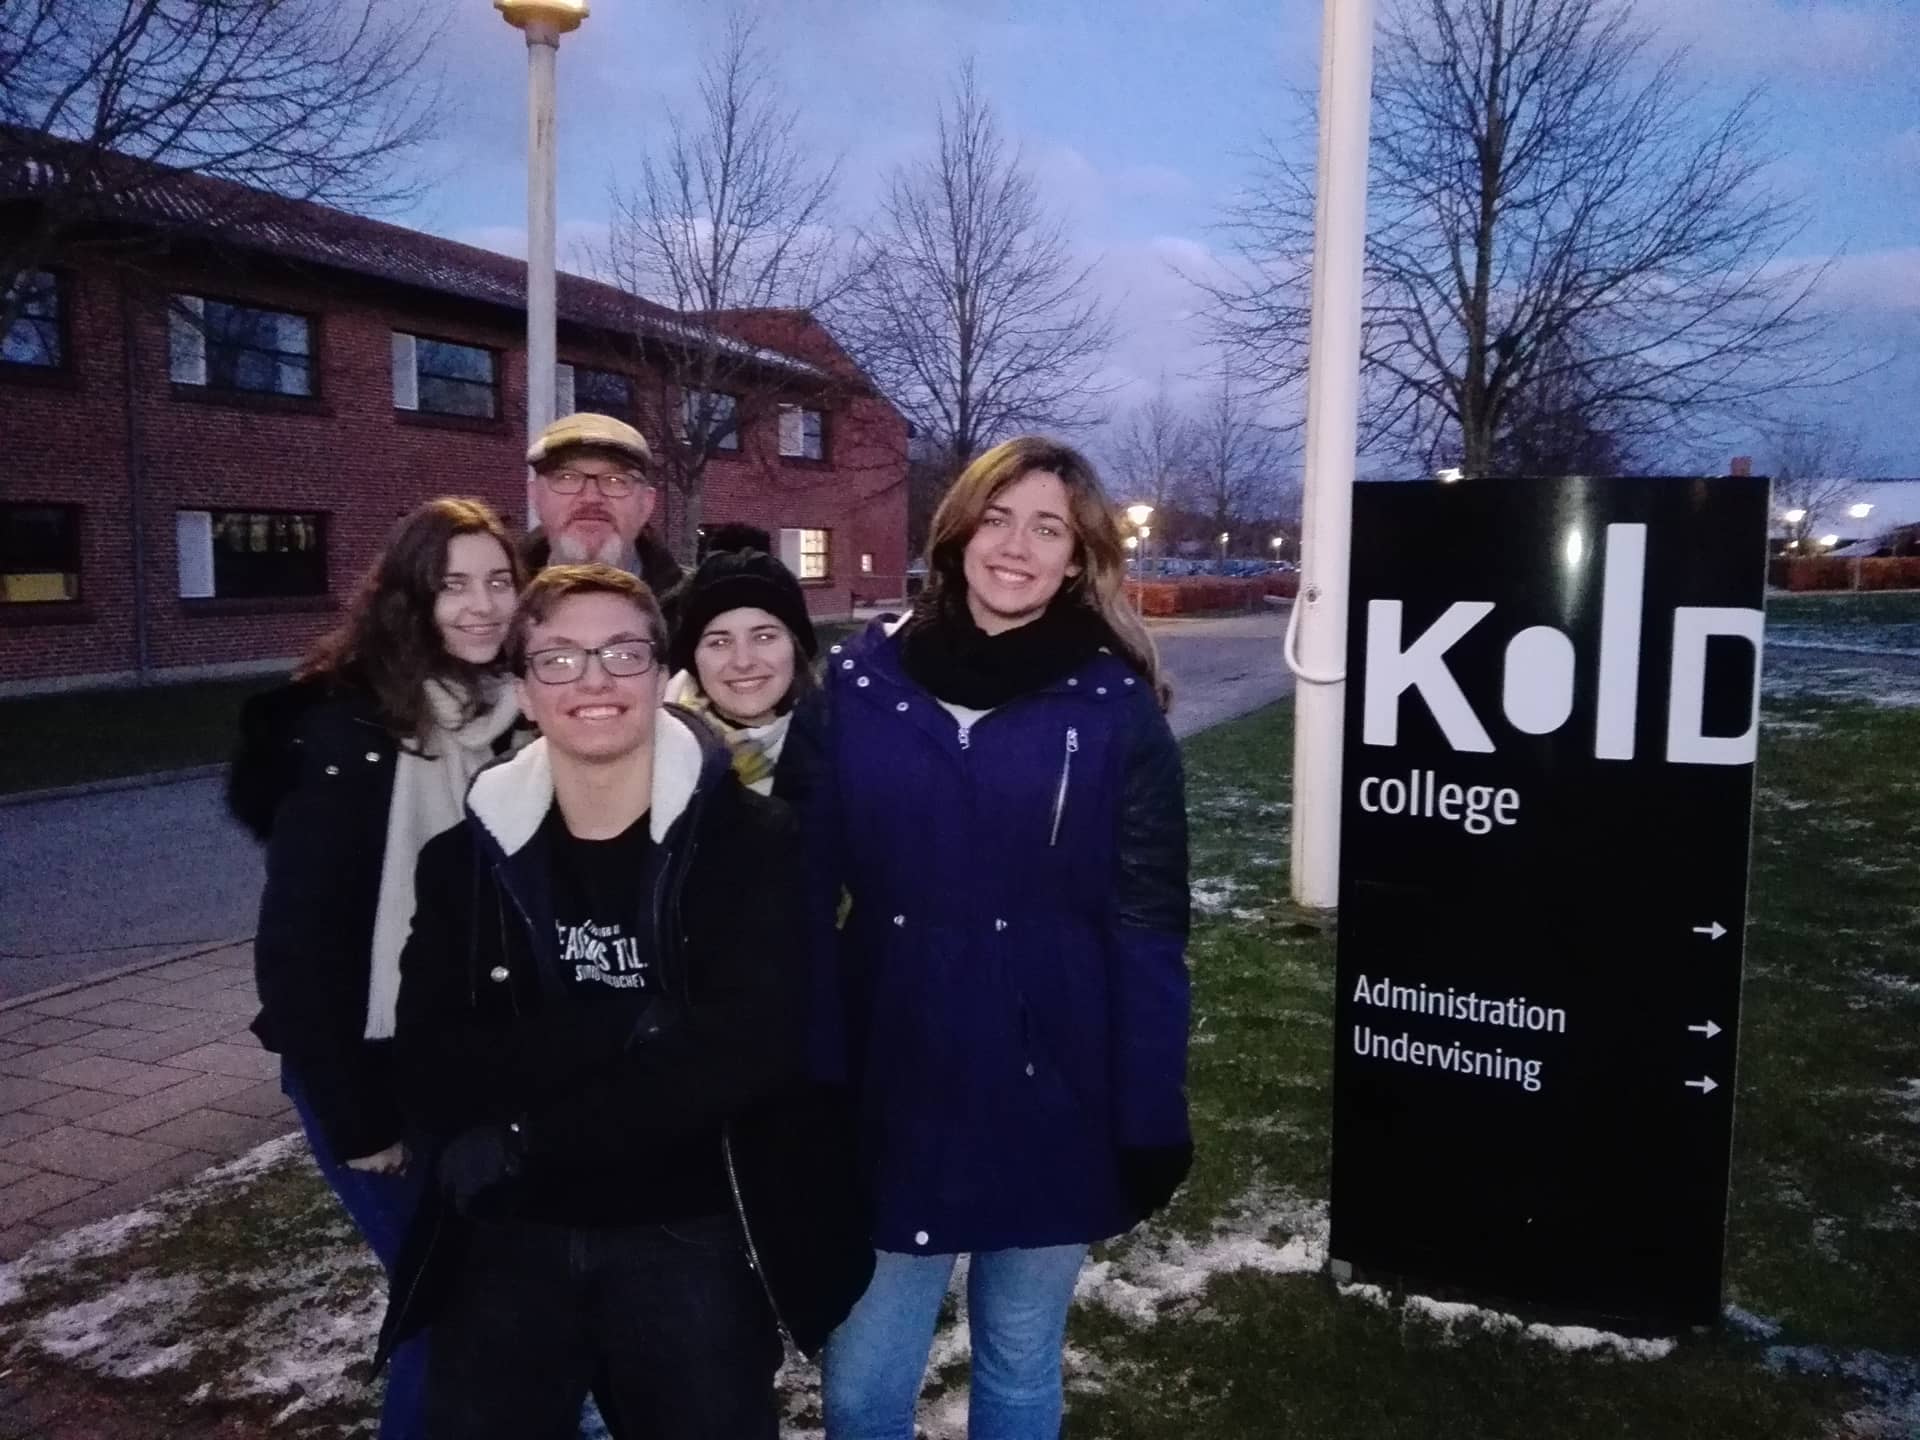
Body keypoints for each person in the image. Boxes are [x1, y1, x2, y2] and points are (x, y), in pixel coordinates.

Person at [375, 564, 872, 1440]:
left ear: (659, 674)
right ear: (525, 692)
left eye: (621, 653)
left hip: (687, 1231)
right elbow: (427, 1054)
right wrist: (632, 1026)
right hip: (509, 1233)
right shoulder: (464, 861)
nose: (594, 679)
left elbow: (747, 1051)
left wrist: (529, 1128)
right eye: (559, 659)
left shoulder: (753, 844)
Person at [806, 437, 1194, 1440]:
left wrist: (1150, 1106)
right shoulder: (860, 685)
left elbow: (1150, 925)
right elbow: (800, 896)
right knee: (861, 1384)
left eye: (1047, 528)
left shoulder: (1113, 709)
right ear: (958, 533)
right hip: (896, 1077)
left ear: (1078, 558)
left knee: (1019, 1364)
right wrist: (802, 1073)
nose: (1016, 546)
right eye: (998, 518)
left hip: (1054, 1083)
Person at [228, 497, 526, 1440]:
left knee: (486, 1300)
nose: (482, 606)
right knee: (446, 1303)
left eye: (498, 582)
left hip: (468, 1066)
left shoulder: (514, 717)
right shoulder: (348, 731)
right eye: (453, 586)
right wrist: (358, 1117)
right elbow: (300, 945)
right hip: (369, 1068)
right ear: (408, 599)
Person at [662, 525, 820, 796]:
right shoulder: (647, 755)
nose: (743, 661)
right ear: (693, 657)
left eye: (764, 637)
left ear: (796, 647)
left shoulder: (842, 751)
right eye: (719, 642)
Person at [521, 412, 683, 596]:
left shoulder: (695, 608)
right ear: (535, 496)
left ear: (646, 504)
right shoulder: (500, 605)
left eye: (616, 480)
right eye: (567, 477)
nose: (591, 497)